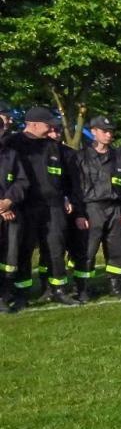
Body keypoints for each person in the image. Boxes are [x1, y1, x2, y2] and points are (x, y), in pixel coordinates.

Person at [4, 106, 82, 307]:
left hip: (53, 206)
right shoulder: (13, 144)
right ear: (34, 124)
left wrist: (66, 198)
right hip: (26, 206)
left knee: (55, 249)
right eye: (48, 125)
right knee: (24, 250)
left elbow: (64, 176)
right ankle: (22, 293)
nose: (51, 129)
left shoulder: (52, 146)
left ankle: (57, 289)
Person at [72, 116, 121, 300]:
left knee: (116, 249)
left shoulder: (118, 156)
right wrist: (79, 213)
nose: (109, 134)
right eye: (104, 131)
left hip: (114, 207)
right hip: (91, 208)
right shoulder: (81, 157)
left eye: (111, 131)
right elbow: (75, 187)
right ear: (94, 132)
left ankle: (115, 285)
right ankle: (81, 288)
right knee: (87, 249)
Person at [0, 128, 25, 312]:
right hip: (4, 211)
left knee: (10, 255)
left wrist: (8, 201)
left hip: (11, 212)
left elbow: (22, 181)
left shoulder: (11, 154)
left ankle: (6, 293)